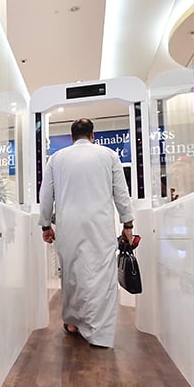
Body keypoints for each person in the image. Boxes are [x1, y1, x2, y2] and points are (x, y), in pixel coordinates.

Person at [39, 118, 134, 348]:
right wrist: (127, 224)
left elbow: (46, 194)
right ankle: (99, 334)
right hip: (99, 224)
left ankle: (72, 323)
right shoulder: (109, 155)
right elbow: (121, 193)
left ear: (72, 138)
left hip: (68, 224)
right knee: (101, 276)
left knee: (71, 274)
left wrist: (45, 224)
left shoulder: (57, 158)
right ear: (93, 135)